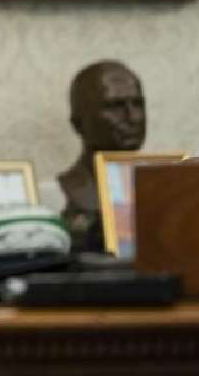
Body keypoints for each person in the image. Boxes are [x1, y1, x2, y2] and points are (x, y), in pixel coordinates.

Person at [57, 60, 145, 253]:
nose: (134, 118)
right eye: (115, 107)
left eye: (138, 104)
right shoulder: (70, 189)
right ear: (78, 123)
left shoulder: (160, 185)